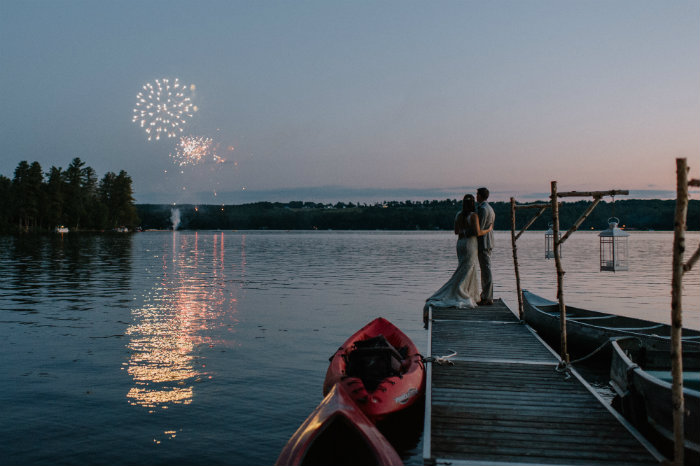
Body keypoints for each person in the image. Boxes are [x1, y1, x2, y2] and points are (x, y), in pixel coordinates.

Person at [423, 194, 493, 322]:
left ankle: (465, 290)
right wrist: (488, 229)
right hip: (470, 244)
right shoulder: (474, 216)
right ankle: (460, 291)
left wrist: (464, 231)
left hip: (460, 244)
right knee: (467, 269)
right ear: (472, 204)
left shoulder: (458, 215)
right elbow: (477, 232)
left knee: (463, 268)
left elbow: (456, 231)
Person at [476, 187, 495, 305]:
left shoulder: (483, 209)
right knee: (486, 269)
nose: (476, 196)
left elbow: (480, 228)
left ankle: (487, 297)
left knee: (486, 270)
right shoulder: (490, 208)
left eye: (477, 194)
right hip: (488, 241)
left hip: (484, 243)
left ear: (481, 196)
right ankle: (486, 295)